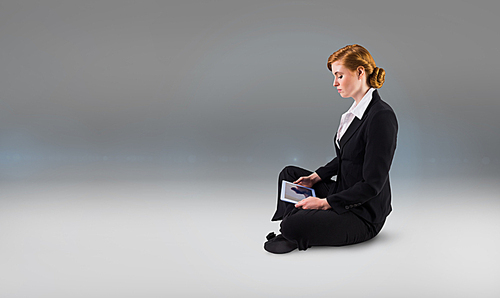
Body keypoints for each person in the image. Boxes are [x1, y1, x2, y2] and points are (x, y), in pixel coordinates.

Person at [264, 44, 398, 254]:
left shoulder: (381, 116)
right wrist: (316, 177)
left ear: (360, 72)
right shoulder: (356, 111)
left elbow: (373, 185)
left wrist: (325, 203)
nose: (334, 82)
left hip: (362, 213)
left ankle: (295, 225)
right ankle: (300, 219)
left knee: (293, 225)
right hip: (343, 191)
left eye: (339, 75)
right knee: (289, 175)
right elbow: (348, 156)